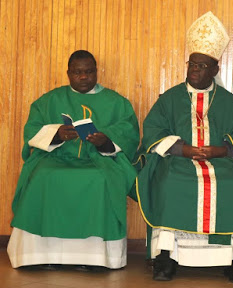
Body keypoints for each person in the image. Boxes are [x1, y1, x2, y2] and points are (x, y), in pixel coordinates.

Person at [135, 11, 233, 283]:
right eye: (191, 64)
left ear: (215, 70)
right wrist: (183, 150)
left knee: (231, 182)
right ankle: (166, 257)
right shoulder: (169, 99)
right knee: (171, 180)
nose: (194, 69)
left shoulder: (230, 103)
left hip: (220, 162)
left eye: (202, 66)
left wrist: (222, 150)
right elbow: (153, 131)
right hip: (178, 160)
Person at [7, 50, 139, 270]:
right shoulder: (50, 100)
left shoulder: (116, 102)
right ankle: (42, 255)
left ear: (96, 72)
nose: (84, 77)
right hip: (57, 157)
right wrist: (57, 134)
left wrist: (105, 141)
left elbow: (129, 132)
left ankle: (95, 259)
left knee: (100, 180)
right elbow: (32, 130)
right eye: (78, 72)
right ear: (68, 73)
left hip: (99, 160)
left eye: (89, 72)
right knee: (42, 175)